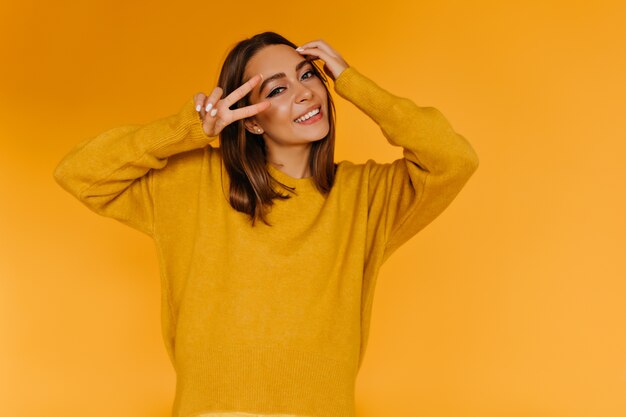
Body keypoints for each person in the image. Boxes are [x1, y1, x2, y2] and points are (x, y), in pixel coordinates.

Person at [53, 31, 479, 417]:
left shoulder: (367, 196)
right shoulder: (191, 182)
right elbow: (80, 173)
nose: (305, 94)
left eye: (309, 76)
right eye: (278, 88)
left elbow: (453, 159)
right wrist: (187, 130)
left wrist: (351, 82)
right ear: (251, 119)